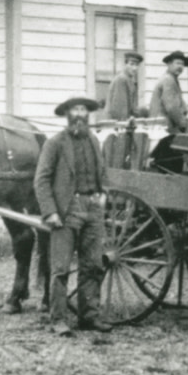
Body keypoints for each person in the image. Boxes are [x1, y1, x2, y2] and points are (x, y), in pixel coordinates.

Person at [33, 97, 111, 336]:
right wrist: (50, 211)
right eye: (75, 109)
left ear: (88, 114)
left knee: (93, 265)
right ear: (67, 114)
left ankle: (89, 317)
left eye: (83, 109)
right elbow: (41, 180)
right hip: (67, 210)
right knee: (61, 268)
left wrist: (103, 194)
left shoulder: (94, 141)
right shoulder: (55, 143)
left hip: (93, 208)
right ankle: (58, 319)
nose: (79, 114)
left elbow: (103, 171)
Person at [149, 50, 188, 135]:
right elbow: (172, 108)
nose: (180, 67)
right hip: (164, 127)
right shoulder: (168, 80)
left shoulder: (172, 79)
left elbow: (180, 102)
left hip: (165, 125)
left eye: (182, 64)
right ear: (169, 64)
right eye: (177, 63)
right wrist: (185, 126)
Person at [104, 51, 143, 120]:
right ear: (125, 64)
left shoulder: (129, 81)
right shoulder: (121, 79)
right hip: (117, 122)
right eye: (131, 64)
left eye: (137, 65)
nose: (134, 68)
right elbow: (121, 108)